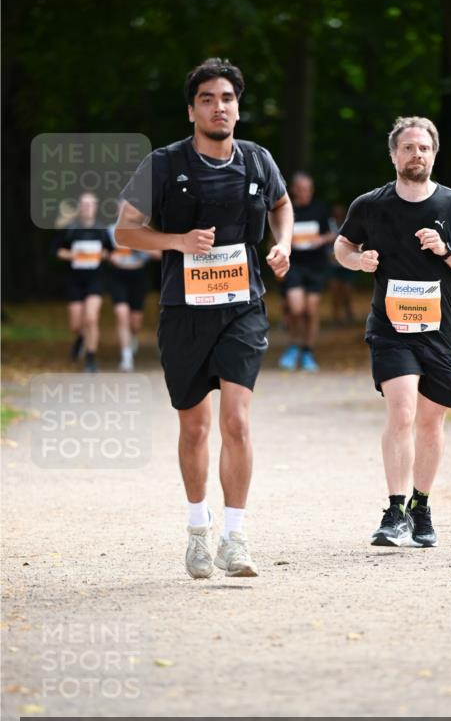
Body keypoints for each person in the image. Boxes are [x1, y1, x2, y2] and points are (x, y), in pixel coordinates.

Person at [115, 58, 293, 579]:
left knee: (236, 421)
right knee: (195, 428)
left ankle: (235, 537)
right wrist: (177, 241)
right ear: (192, 109)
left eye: (228, 99)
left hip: (243, 307)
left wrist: (282, 244)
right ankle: (198, 531)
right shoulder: (164, 165)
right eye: (209, 99)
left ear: (239, 108)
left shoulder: (258, 160)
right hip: (184, 311)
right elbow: (125, 231)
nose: (220, 107)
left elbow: (281, 206)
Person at [334, 116, 451, 549]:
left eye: (423, 148)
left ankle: (421, 506)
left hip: (439, 332)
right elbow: (342, 246)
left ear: (434, 154)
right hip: (390, 329)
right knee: (401, 412)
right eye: (408, 148)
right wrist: (356, 261)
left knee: (430, 422)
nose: (416, 154)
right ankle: (395, 509)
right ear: (393, 154)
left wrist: (447, 251)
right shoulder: (371, 205)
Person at [278, 172, 336, 372]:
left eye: (308, 189)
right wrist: (285, 243)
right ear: (294, 189)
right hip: (293, 265)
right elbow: (274, 237)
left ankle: (307, 350)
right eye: (301, 189)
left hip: (316, 266)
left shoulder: (320, 209)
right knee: (296, 308)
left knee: (311, 311)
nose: (305, 193)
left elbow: (332, 233)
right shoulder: (286, 209)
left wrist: (321, 239)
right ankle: (294, 345)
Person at [54, 192, 110, 373]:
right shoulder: (70, 229)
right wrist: (72, 255)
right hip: (74, 280)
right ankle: (80, 338)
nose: (87, 207)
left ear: (95, 207)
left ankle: (91, 359)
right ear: (79, 207)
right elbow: (57, 250)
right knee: (76, 325)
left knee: (91, 319)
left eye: (90, 204)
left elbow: (110, 251)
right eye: (84, 204)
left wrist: (102, 255)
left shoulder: (102, 229)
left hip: (95, 280)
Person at [107, 226, 160, 371]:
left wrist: (139, 248)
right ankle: (126, 356)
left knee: (135, 323)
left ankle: (133, 337)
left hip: (139, 277)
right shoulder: (110, 230)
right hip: (117, 276)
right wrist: (109, 255)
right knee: (121, 313)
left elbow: (160, 254)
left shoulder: (146, 230)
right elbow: (102, 250)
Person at [328, 202, 356, 326]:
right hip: (333, 265)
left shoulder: (349, 225)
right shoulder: (329, 226)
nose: (338, 216)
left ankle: (349, 313)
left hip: (346, 263)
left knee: (347, 291)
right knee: (334, 292)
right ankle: (336, 317)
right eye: (336, 214)